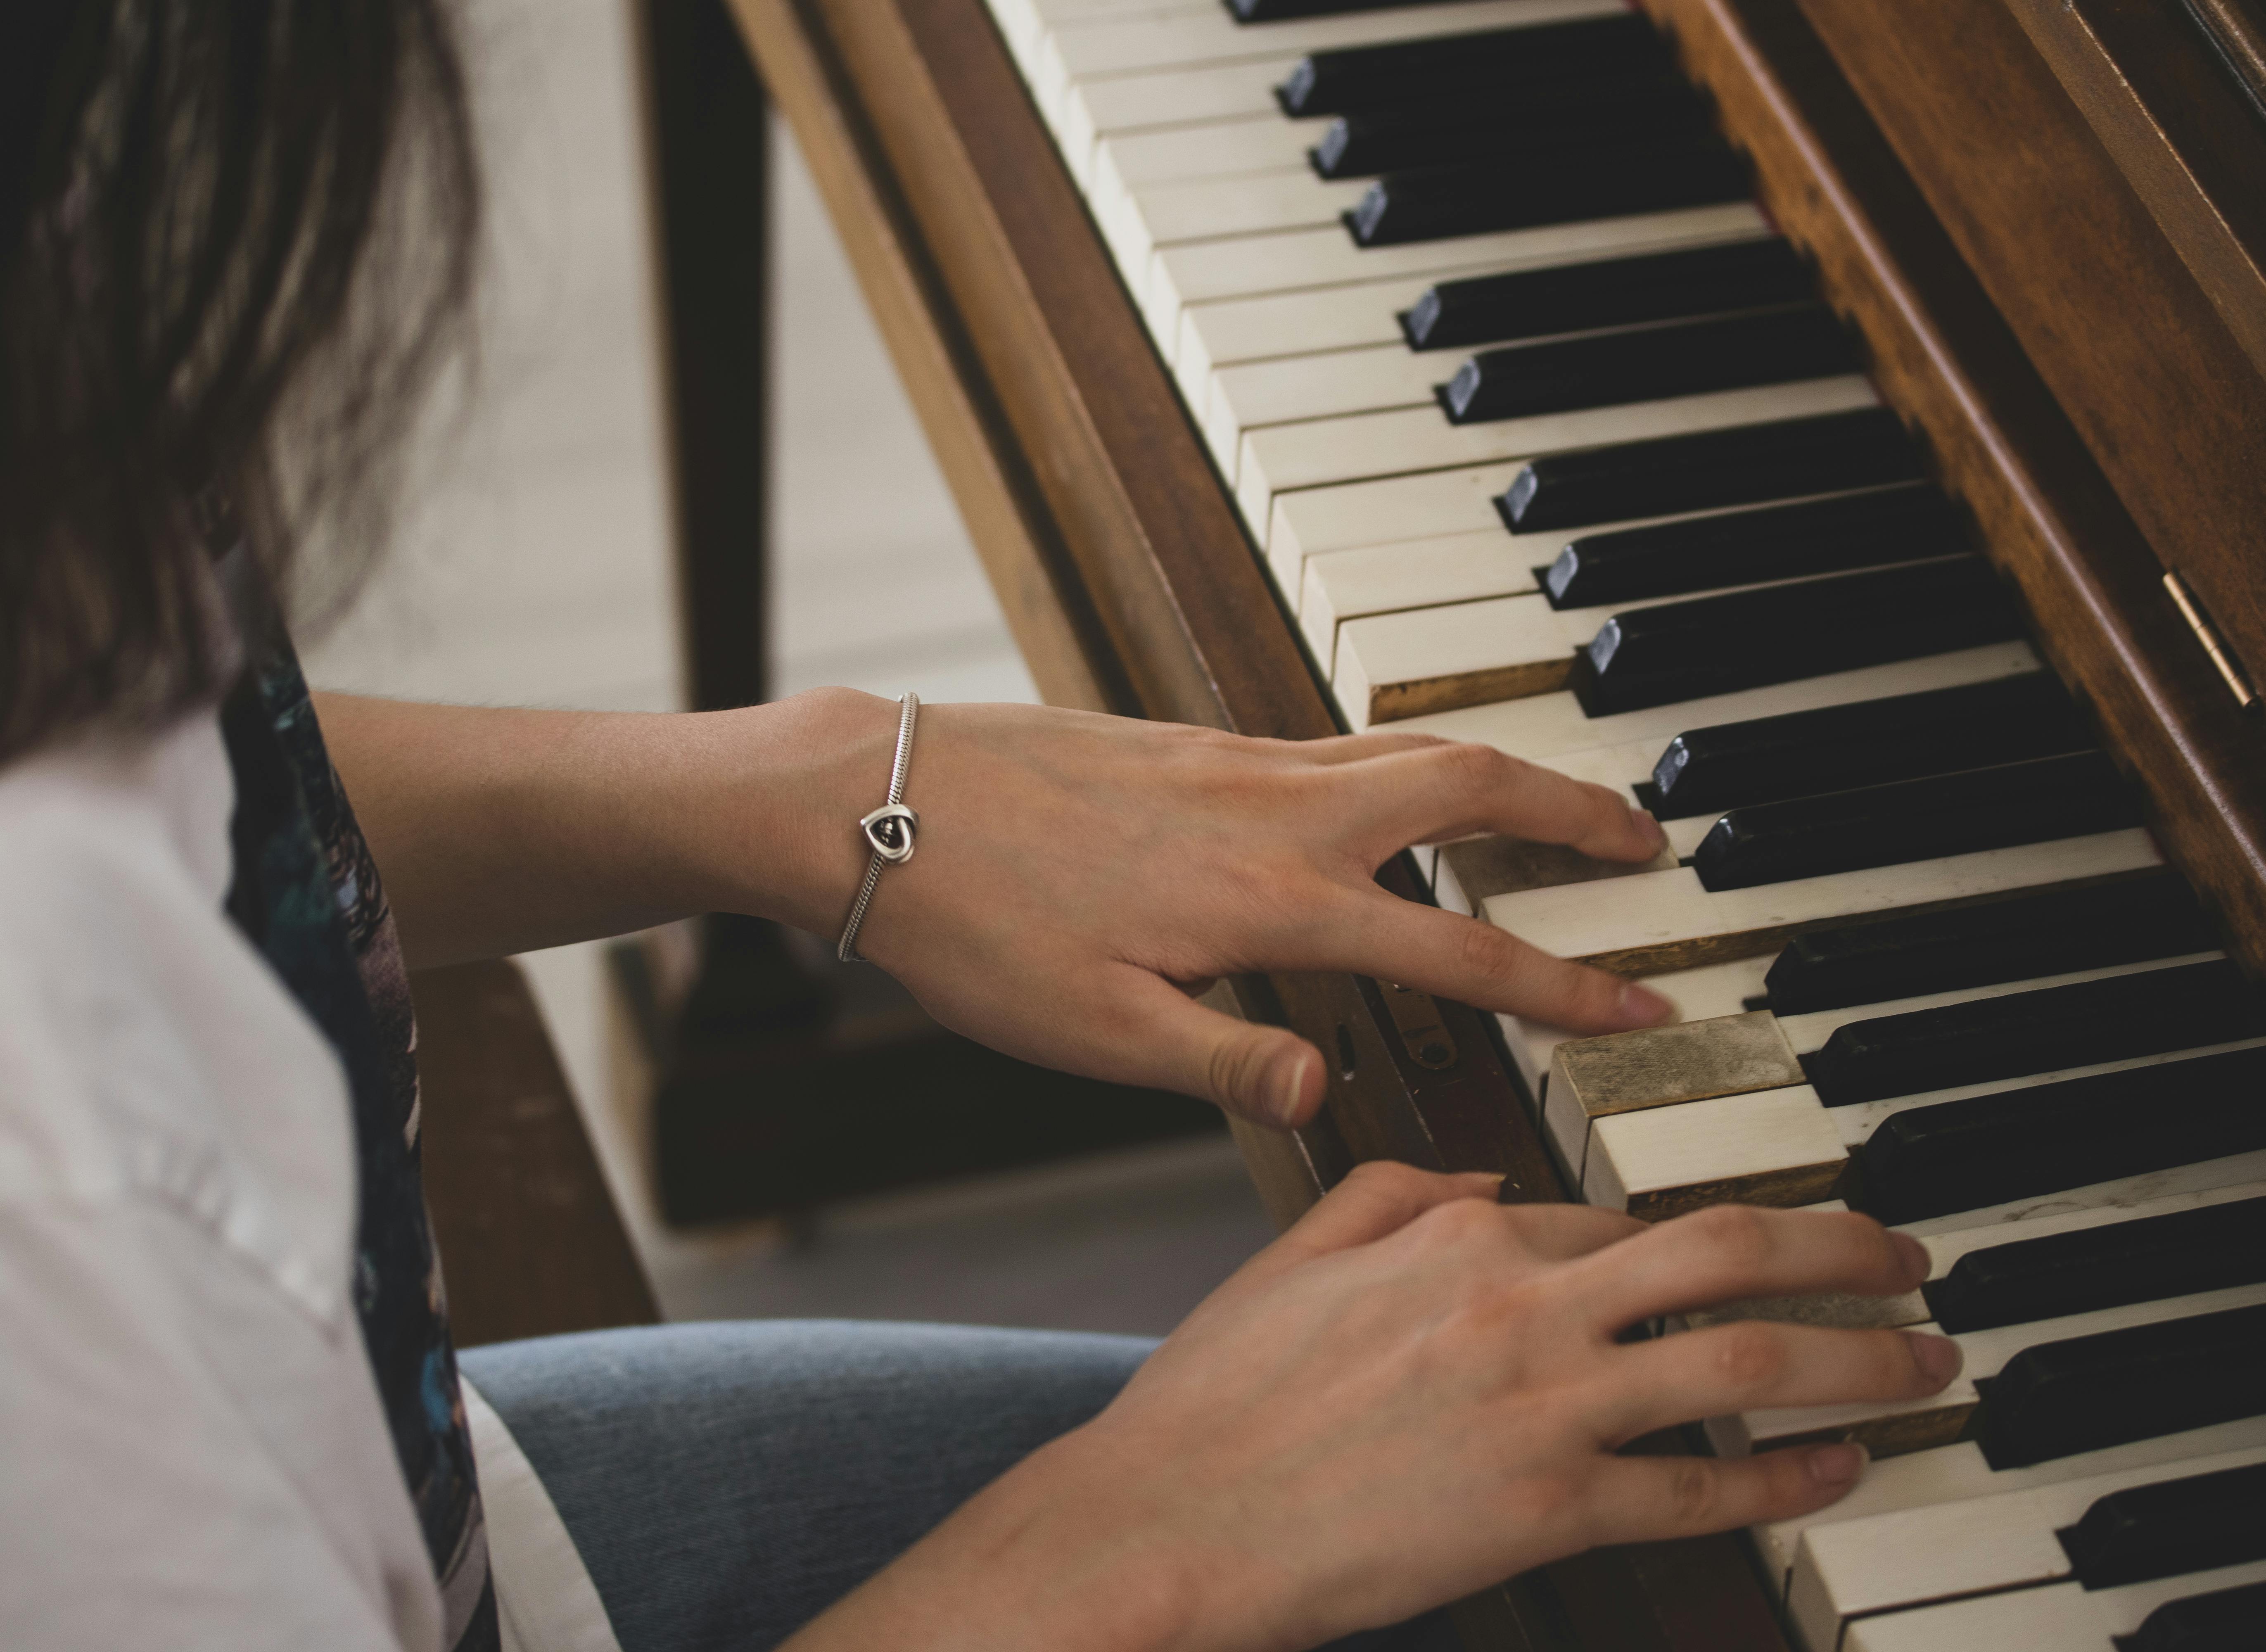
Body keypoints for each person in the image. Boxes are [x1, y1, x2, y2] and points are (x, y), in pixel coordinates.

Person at [0, 5, 1961, 1651]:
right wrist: (1137, 1547)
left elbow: (172, 783)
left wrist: (807, 787)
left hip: (379, 1473)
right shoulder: (56, 1181)